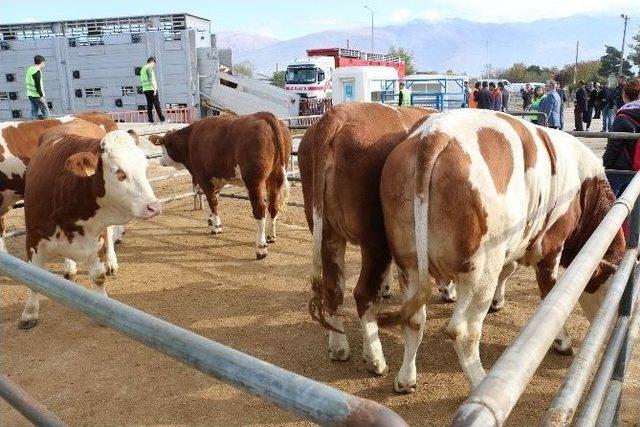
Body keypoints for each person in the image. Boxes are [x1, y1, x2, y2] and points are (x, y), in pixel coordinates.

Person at [603, 78, 640, 196]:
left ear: (624, 95)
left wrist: (604, 164)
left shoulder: (623, 116)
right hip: (637, 168)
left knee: (610, 203)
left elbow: (614, 146)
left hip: (620, 168)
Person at [140, 57, 167, 124]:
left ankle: (150, 120)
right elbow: (151, 79)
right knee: (157, 104)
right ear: (152, 62)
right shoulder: (149, 68)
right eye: (154, 64)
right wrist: (155, 89)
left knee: (149, 105)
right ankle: (162, 120)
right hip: (151, 89)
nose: (154, 66)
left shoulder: (143, 68)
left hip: (145, 89)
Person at [25, 55, 50, 120]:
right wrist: (41, 96)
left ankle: (31, 125)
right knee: (45, 110)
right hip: (37, 95)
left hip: (30, 94)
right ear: (41, 62)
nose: (44, 64)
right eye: (44, 63)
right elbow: (38, 85)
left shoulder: (30, 69)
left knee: (34, 111)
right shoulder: (36, 72)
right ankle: (49, 125)